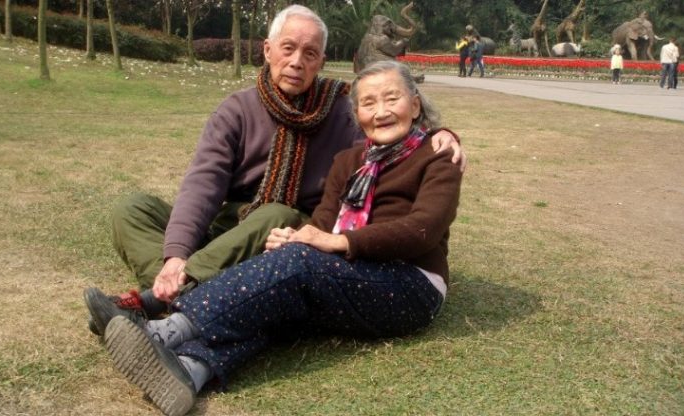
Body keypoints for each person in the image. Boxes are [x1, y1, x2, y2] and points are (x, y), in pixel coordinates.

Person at [91, 59, 462, 416]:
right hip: (350, 277)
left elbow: (422, 230)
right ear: (357, 115)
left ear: (415, 105)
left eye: (392, 98)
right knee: (274, 299)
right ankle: (190, 370)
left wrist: (341, 243)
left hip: (409, 285)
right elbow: (321, 223)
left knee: (297, 266)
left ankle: (163, 331)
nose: (381, 110)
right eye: (368, 102)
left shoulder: (437, 156)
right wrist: (297, 238)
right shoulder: (348, 162)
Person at [84, 5, 466, 336]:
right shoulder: (236, 110)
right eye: (288, 48)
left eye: (310, 53)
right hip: (231, 223)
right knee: (132, 208)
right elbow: (203, 184)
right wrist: (175, 255)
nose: (297, 61)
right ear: (267, 51)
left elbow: (383, 137)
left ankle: (156, 300)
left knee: (275, 211)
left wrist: (440, 133)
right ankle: (176, 286)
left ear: (321, 60)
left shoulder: (342, 107)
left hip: (289, 230)